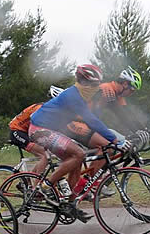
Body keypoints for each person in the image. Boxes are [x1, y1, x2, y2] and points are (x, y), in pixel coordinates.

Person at [28, 64, 131, 222]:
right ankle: (45, 187)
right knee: (79, 154)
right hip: (39, 129)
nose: (96, 88)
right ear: (85, 83)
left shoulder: (82, 96)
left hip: (53, 130)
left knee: (77, 160)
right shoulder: (73, 95)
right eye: (95, 84)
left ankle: (69, 204)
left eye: (98, 84)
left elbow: (93, 118)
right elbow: (92, 121)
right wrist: (114, 140)